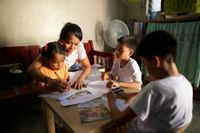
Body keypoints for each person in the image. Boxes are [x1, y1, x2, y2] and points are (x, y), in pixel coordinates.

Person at [107, 30, 193, 133]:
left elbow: (118, 120)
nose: (146, 69)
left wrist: (110, 99)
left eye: (144, 63)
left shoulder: (154, 89)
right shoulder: (186, 83)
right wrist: (137, 95)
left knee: (109, 126)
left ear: (155, 61)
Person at [27, 22, 91, 90]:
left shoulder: (79, 45)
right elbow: (31, 69)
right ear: (61, 40)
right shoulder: (55, 49)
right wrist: (49, 81)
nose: (72, 48)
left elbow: (87, 66)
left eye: (76, 44)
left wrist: (81, 79)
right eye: (68, 43)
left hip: (70, 70)